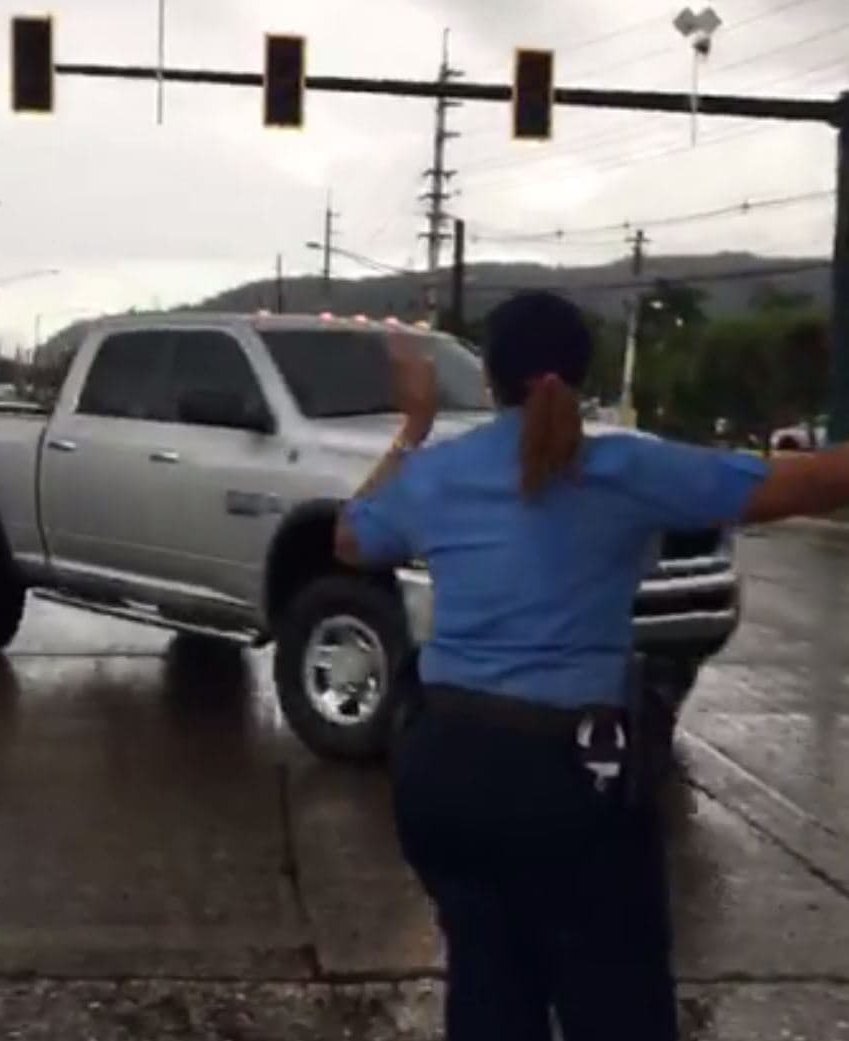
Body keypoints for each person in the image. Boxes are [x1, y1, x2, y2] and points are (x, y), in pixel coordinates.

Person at [333, 290, 849, 1041]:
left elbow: (350, 539)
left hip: (444, 769)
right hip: (569, 780)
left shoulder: (437, 473)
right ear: (582, 372)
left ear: (489, 379)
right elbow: (808, 483)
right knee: (615, 998)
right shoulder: (625, 466)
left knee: (487, 979)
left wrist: (412, 426)